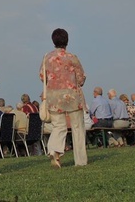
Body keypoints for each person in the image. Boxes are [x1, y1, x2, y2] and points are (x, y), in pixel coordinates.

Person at [39, 28, 87, 168]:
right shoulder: (72, 57)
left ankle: (54, 150)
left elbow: (42, 77)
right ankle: (80, 161)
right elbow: (80, 79)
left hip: (54, 97)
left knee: (58, 127)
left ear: (53, 41)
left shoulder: (47, 58)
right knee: (78, 127)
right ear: (67, 41)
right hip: (72, 96)